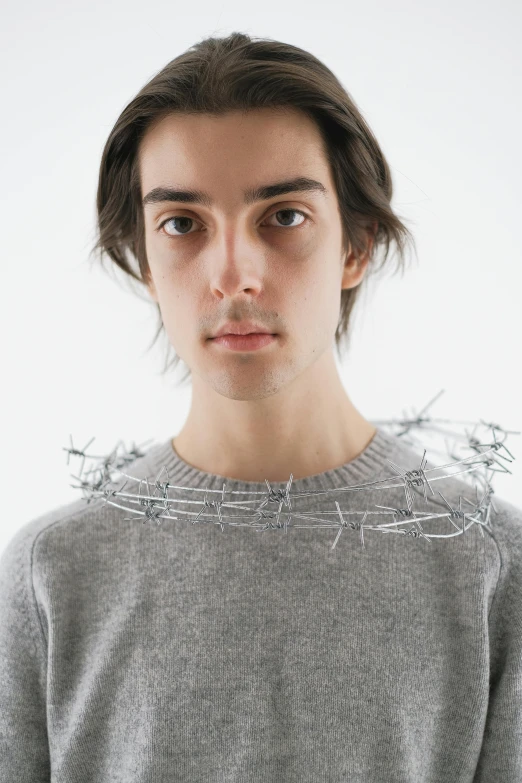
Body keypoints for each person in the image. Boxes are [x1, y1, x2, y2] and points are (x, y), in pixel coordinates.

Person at [1, 31, 521, 783]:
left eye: (283, 216)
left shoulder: (489, 567)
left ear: (357, 243)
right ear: (143, 260)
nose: (234, 274)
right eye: (182, 224)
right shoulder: (52, 575)